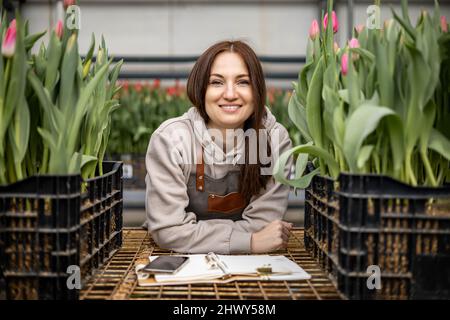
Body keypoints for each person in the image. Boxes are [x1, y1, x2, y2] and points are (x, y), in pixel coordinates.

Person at [144, 40, 293, 254]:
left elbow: (263, 224)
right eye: (217, 82)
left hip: (251, 267)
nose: (230, 93)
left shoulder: (274, 141)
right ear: (201, 89)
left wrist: (190, 233)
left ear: (257, 90)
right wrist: (249, 241)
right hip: (180, 263)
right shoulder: (172, 140)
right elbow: (169, 230)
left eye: (243, 82)